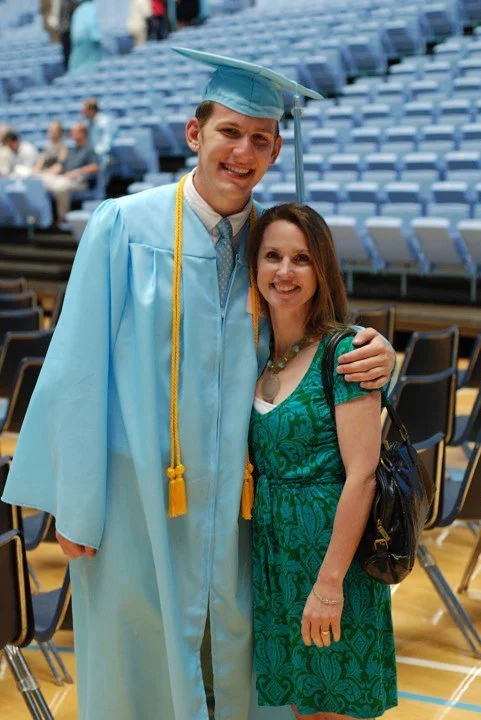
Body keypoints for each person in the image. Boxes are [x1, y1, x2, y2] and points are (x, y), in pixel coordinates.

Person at [2, 49, 395, 720]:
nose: (242, 151)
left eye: (260, 139)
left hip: (244, 508)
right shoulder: (123, 226)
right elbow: (76, 368)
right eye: (229, 132)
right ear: (195, 134)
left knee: (237, 662)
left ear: (274, 152)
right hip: (137, 500)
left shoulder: (273, 242)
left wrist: (377, 351)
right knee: (138, 662)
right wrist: (76, 500)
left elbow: (312, 335)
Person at [248, 203, 397, 719]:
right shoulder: (261, 355)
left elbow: (363, 477)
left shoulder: (347, 353)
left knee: (333, 710)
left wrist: (330, 584)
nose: (284, 272)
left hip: (331, 562)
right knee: (304, 709)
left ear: (322, 269)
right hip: (276, 562)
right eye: (272, 256)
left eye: (301, 259)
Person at [40, 123, 98, 223]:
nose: (72, 134)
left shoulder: (89, 149)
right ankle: (45, 218)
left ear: (83, 133)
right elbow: (60, 165)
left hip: (80, 181)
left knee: (60, 186)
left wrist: (77, 171)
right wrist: (47, 173)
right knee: (42, 181)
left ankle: (62, 219)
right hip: (64, 177)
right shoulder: (71, 149)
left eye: (75, 132)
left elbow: (94, 167)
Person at [69, 0, 104, 74]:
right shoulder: (81, 10)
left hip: (89, 48)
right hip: (82, 48)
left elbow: (93, 33)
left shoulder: (88, 8)